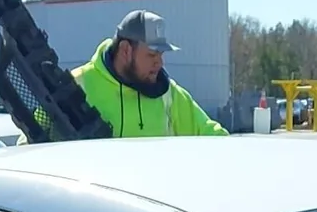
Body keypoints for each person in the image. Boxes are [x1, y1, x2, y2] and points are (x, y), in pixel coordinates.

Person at [74, 10, 227, 138]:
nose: (159, 63)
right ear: (126, 50)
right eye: (152, 55)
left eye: (161, 54)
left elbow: (211, 135)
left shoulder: (168, 94)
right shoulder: (76, 86)